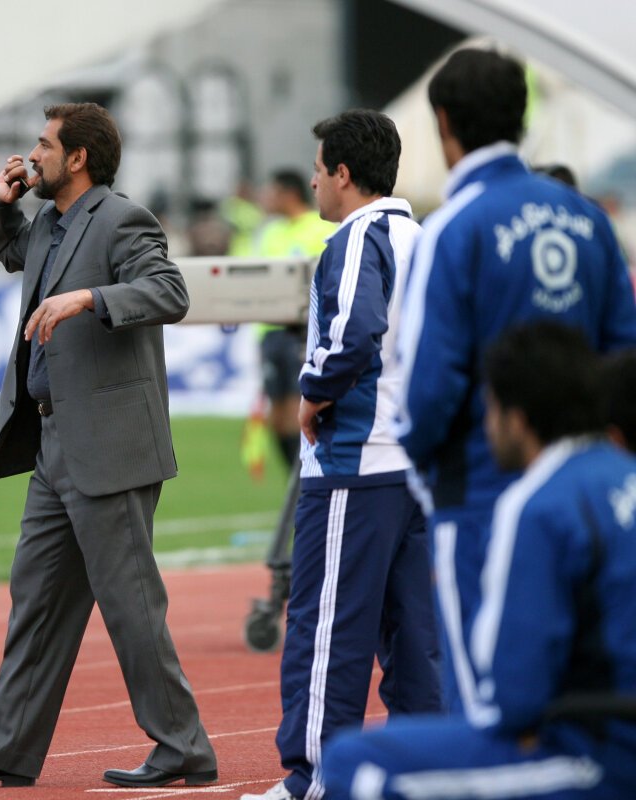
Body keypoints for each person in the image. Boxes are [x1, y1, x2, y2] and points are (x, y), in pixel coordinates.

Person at [0, 102, 217, 789]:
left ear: (78, 158)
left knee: (130, 604)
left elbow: (169, 292)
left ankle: (183, 746)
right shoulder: (52, 224)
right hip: (53, 442)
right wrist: (1, 207)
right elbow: (15, 254)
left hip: (111, 447)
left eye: (45, 145)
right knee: (37, 602)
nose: (34, 155)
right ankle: (7, 749)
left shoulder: (122, 219)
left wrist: (88, 299)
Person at [395, 48, 636, 717]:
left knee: (488, 701)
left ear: (445, 122)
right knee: (584, 690)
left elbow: (429, 382)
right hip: (590, 486)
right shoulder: (587, 218)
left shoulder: (453, 228)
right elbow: (625, 355)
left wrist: (423, 466)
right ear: (522, 117)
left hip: (480, 488)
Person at [323, 321, 636, 800]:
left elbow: (513, 694)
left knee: (351, 760)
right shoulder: (621, 474)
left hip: (600, 757)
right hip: (612, 731)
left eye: (489, 408)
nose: (486, 426)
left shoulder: (539, 504)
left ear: (518, 419)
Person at [241, 110, 442, 800]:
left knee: (328, 628)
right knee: (415, 634)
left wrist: (312, 391)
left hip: (357, 463)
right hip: (416, 463)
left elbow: (355, 330)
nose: (314, 183)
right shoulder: (423, 239)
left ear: (344, 174)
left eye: (319, 170)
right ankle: (424, 774)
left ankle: (315, 780)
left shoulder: (359, 237)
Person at [251, 169, 335, 469]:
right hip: (270, 332)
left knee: (300, 409)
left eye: (271, 191)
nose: (265, 198)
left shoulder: (320, 228)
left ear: (289, 194)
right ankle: (295, 477)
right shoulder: (269, 232)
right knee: (277, 417)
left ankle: (308, 474)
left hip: (303, 332)